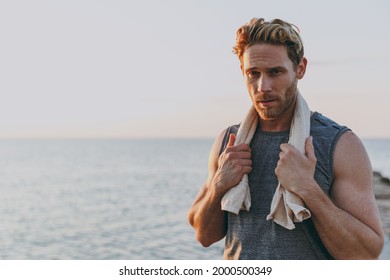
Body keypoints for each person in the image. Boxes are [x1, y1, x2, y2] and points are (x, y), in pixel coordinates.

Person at [188, 18, 384, 259]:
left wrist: (308, 189)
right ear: (242, 71)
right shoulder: (229, 142)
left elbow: (366, 254)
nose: (263, 86)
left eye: (275, 72)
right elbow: (203, 236)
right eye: (253, 73)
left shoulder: (340, 144)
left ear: (300, 68)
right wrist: (219, 185)